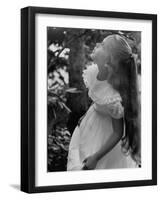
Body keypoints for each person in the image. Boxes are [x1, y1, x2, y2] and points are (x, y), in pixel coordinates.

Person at [67, 34, 141, 171]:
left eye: (102, 45)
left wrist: (96, 157)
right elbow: (97, 98)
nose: (96, 45)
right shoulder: (94, 72)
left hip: (105, 137)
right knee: (77, 156)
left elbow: (117, 133)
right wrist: (87, 115)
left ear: (109, 59)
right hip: (90, 123)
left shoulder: (113, 97)